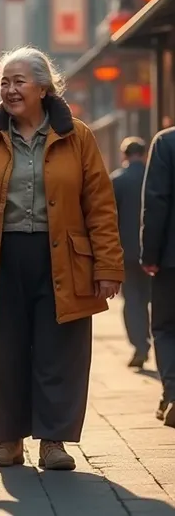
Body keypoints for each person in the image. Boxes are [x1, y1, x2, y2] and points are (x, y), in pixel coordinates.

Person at [0, 46, 124, 471]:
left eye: (19, 81)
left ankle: (53, 442)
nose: (10, 90)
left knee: (60, 350)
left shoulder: (76, 135)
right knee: (1, 351)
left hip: (63, 257)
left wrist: (109, 266)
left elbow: (100, 204)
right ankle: (8, 440)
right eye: (4, 82)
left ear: (44, 87)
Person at [141, 126, 175, 428]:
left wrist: (149, 255)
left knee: (165, 328)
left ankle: (174, 393)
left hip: (171, 259)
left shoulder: (167, 142)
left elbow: (156, 202)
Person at [111, 137, 150, 368]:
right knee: (155, 300)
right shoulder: (154, 176)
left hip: (127, 252)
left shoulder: (117, 180)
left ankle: (140, 345)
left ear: (124, 155)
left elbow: (108, 218)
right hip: (157, 252)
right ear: (144, 154)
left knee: (133, 300)